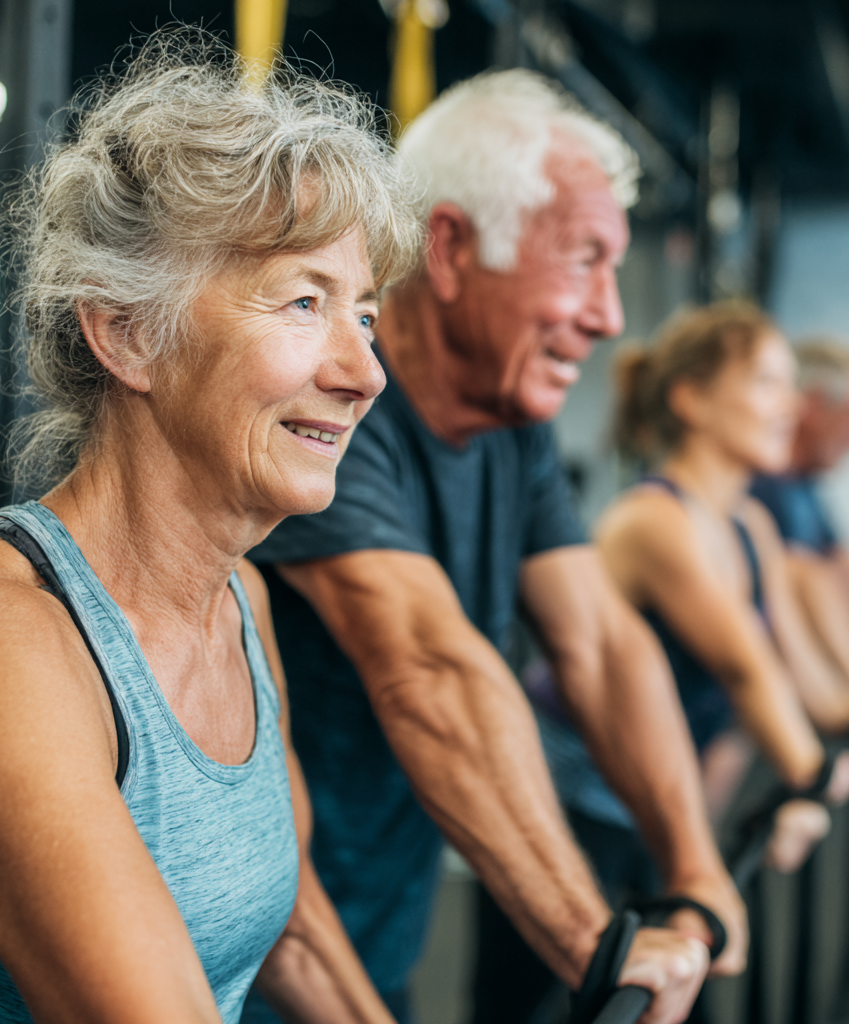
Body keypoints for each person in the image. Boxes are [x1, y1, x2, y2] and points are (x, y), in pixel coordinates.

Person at [0, 33, 424, 1024]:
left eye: (362, 315)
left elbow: (293, 928)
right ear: (127, 332)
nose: (364, 370)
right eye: (303, 301)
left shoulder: (243, 600)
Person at [246, 71, 745, 1024]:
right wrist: (599, 948)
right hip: (243, 963)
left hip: (371, 936)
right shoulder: (334, 416)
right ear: (449, 247)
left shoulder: (511, 422)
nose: (609, 316)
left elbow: (597, 642)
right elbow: (427, 669)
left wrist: (692, 865)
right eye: (584, 261)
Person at [590, 303, 849, 852]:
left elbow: (785, 658)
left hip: (654, 800)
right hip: (581, 805)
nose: (791, 407)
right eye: (768, 383)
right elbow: (744, 670)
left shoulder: (751, 523)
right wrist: (811, 776)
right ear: (690, 398)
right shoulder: (654, 521)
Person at [750, 337, 849, 751]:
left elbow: (844, 567)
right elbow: (794, 592)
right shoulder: (762, 489)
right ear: (814, 405)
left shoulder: (803, 490)